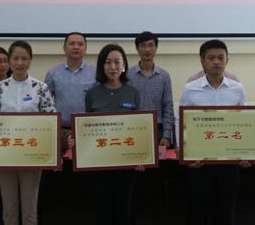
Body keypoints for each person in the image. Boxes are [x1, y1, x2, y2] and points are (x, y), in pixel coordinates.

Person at [0, 41, 56, 225]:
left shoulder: (41, 88)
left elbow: (50, 121)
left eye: (24, 58)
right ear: (9, 61)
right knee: (9, 210)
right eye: (15, 58)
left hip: (32, 155)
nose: (19, 63)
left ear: (30, 60)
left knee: (30, 210)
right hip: (4, 154)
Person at [179, 39, 248, 225]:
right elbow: (181, 120)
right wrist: (185, 154)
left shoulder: (237, 88)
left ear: (227, 60)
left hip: (229, 160)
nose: (216, 62)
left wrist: (247, 152)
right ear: (202, 61)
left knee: (225, 212)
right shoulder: (190, 89)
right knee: (198, 212)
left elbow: (246, 121)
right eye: (211, 58)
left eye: (220, 58)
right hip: (199, 161)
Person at [80, 44, 142, 225]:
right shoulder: (92, 93)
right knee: (103, 207)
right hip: (100, 162)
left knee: (125, 208)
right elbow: (87, 128)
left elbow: (140, 127)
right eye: (108, 62)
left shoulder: (133, 92)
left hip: (127, 162)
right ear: (102, 65)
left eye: (117, 62)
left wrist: (142, 156)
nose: (113, 67)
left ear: (124, 65)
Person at [44, 32, 96, 152]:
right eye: (72, 44)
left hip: (86, 130)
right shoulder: (53, 73)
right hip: (60, 130)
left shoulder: (95, 73)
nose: (76, 47)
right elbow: (45, 103)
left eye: (80, 44)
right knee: (60, 162)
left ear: (85, 49)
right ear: (64, 48)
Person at [125, 31, 174, 148]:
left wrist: (166, 135)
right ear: (137, 49)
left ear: (156, 48)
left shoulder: (164, 76)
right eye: (143, 46)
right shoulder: (128, 75)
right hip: (133, 129)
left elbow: (168, 107)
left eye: (151, 45)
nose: (147, 49)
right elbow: (125, 104)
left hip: (158, 131)